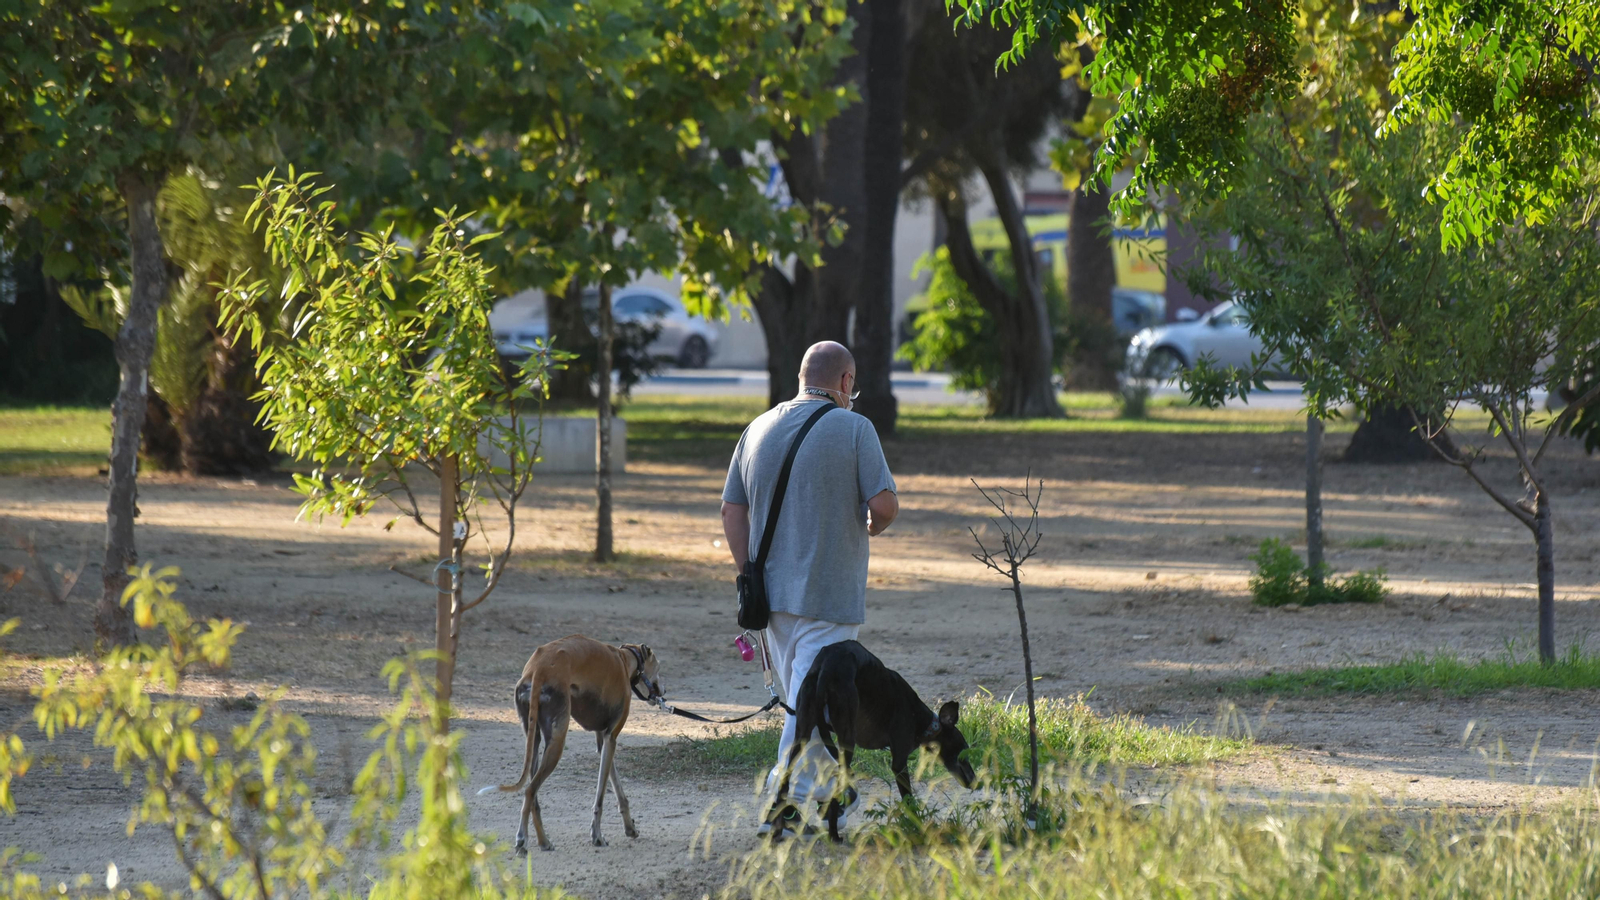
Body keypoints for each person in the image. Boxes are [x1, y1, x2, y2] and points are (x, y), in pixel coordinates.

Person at [720, 341, 899, 834]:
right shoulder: (855, 427)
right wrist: (871, 528)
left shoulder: (756, 429)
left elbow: (731, 511)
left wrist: (747, 573)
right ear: (845, 383)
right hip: (829, 591)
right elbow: (883, 506)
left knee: (805, 702)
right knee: (811, 703)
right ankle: (784, 802)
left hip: (770, 600)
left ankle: (830, 793)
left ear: (802, 378)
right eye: (854, 387)